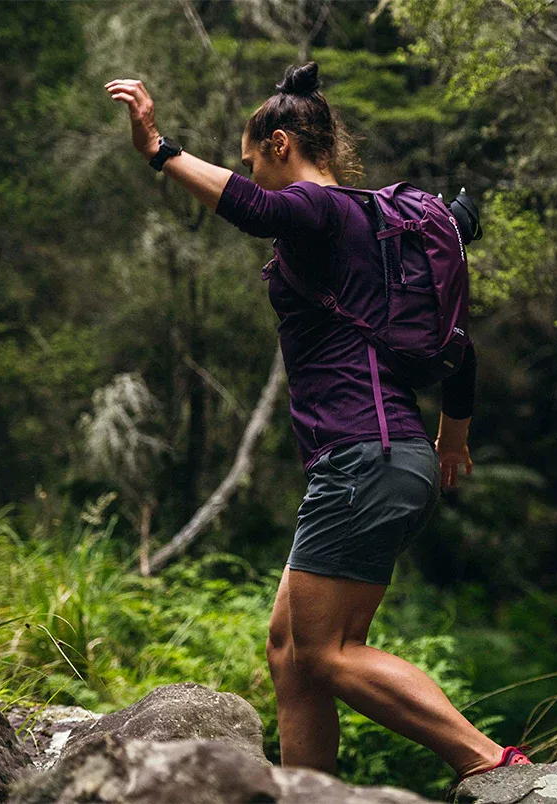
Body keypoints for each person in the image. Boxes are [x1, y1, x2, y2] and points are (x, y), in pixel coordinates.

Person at [104, 60, 531, 788]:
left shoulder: (320, 208)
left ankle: (490, 762)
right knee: (289, 650)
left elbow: (255, 208)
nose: (254, 175)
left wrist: (161, 151)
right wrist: (450, 438)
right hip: (386, 455)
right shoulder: (373, 226)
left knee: (329, 653)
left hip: (362, 456)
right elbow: (459, 349)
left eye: (253, 161)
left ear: (281, 145)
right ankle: (311, 795)